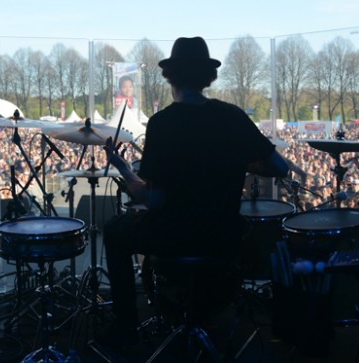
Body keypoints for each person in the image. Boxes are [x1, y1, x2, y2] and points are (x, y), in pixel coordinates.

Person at [98, 37, 301, 347]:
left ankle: (126, 327)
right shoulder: (232, 116)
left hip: (173, 238)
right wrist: (241, 162)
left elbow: (153, 199)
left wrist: (124, 170)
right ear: (208, 78)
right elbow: (280, 167)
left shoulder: (162, 123)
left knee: (115, 232)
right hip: (222, 238)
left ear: (171, 78)